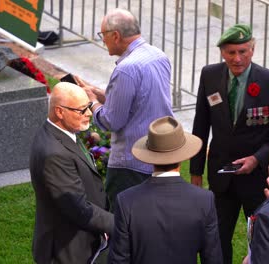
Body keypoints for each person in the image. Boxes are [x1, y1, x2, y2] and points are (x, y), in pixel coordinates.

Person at [190, 24, 269, 263]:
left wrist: (257, 158)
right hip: (221, 176)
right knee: (215, 240)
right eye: (231, 52)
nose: (237, 58)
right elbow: (200, 125)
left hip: (256, 179)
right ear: (221, 52)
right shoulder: (209, 75)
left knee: (261, 239)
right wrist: (196, 171)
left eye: (243, 51)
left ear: (253, 49)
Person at [75, 8, 173, 212]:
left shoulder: (126, 69)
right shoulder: (158, 55)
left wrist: (92, 101)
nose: (103, 41)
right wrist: (105, 95)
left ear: (116, 36)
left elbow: (111, 121)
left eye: (103, 35)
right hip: (160, 158)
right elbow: (142, 101)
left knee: (123, 228)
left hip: (130, 165)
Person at [108, 116, 222, 264]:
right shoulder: (204, 200)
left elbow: (118, 260)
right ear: (182, 156)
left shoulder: (127, 201)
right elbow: (213, 258)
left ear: (150, 155)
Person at [29, 82, 114, 264]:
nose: (89, 114)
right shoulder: (54, 154)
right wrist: (121, 225)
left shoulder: (61, 132)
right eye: (82, 110)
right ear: (60, 112)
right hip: (67, 250)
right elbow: (79, 209)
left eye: (89, 107)